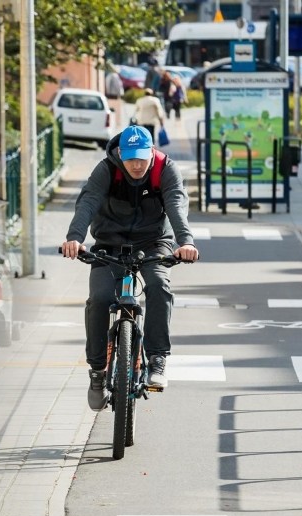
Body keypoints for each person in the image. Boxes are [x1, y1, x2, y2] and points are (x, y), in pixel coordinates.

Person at [61, 125, 199, 410]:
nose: (137, 165)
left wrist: (185, 242)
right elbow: (88, 202)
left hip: (154, 241)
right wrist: (74, 238)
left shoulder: (165, 169)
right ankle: (98, 372)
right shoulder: (106, 170)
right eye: (130, 158)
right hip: (109, 242)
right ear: (120, 154)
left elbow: (176, 204)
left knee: (159, 285)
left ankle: (157, 360)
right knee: (99, 299)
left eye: (142, 158)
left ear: (152, 153)